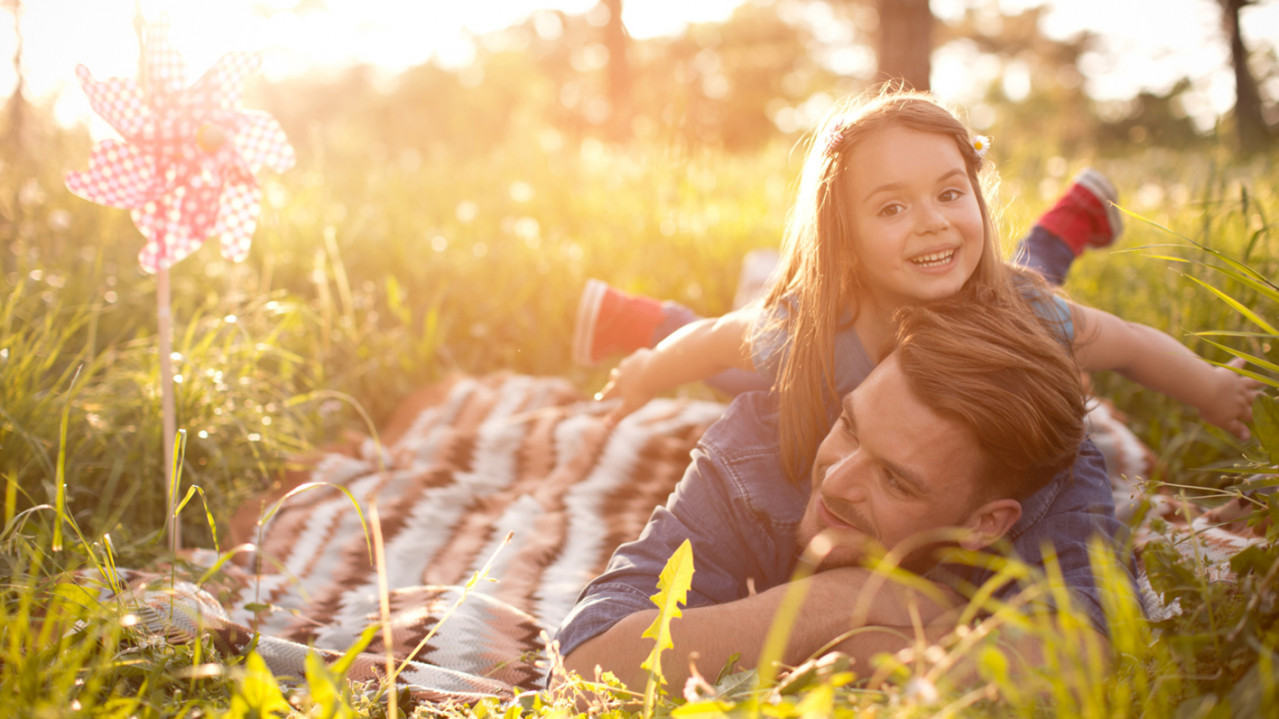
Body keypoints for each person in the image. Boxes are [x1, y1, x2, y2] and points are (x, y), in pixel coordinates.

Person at [574, 93, 1260, 475]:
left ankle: (1074, 213)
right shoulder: (812, 329)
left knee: (1030, 275)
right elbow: (712, 343)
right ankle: (632, 317)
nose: (931, 222)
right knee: (761, 384)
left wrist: (1210, 388)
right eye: (892, 207)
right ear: (845, 240)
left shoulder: (1023, 313)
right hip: (823, 357)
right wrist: (645, 374)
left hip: (997, 298)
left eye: (949, 193)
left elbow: (1129, 342)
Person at [554, 289, 1111, 691]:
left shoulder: (1058, 494)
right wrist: (834, 606)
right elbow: (586, 666)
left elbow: (1076, 668)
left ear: (985, 524)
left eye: (895, 478)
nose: (836, 481)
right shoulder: (760, 452)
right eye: (849, 426)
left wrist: (860, 649)